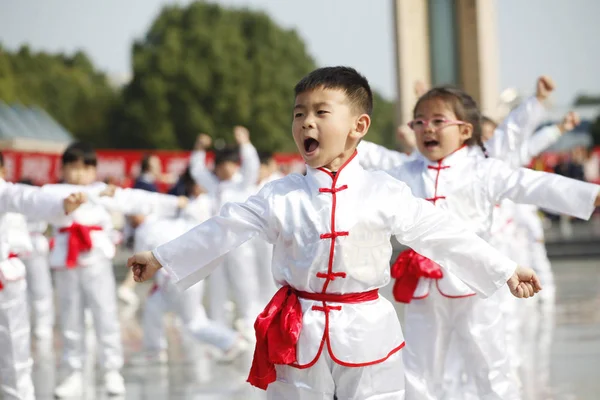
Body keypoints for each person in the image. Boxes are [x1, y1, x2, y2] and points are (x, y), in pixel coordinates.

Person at [127, 66, 542, 400]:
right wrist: (161, 256)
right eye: (299, 113)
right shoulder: (280, 195)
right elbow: (225, 226)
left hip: (368, 332)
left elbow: (443, 234)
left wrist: (503, 268)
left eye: (321, 112)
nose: (306, 121)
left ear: (358, 125)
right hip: (298, 332)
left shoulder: (385, 191)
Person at [385, 86, 600, 399]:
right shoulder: (403, 174)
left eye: (437, 121)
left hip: (478, 286)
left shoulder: (482, 170)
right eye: (419, 122)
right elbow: (367, 188)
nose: (427, 128)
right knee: (418, 369)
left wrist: (590, 194)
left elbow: (531, 183)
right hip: (425, 288)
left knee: (491, 366)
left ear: (464, 130)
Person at [41, 142, 187, 398]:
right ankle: (73, 372)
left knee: (105, 314)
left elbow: (137, 199)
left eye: (84, 168)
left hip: (96, 259)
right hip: (66, 261)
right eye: (72, 168)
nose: (77, 174)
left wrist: (173, 203)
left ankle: (111, 370)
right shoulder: (53, 191)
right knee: (70, 318)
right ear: (62, 169)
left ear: (94, 170)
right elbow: (30, 205)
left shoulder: (101, 191)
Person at [0, 153, 86, 400]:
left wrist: (61, 205)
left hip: (6, 278)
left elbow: (27, 197)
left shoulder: (5, 192)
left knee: (14, 358)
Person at [189, 128, 262, 340]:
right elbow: (197, 171)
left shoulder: (243, 183)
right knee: (218, 287)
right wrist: (199, 149)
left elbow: (252, 167)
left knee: (245, 283)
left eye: (226, 165)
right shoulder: (216, 186)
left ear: (234, 164)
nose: (222, 170)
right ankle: (219, 327)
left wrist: (245, 144)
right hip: (218, 244)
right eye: (219, 166)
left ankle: (250, 323)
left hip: (241, 244)